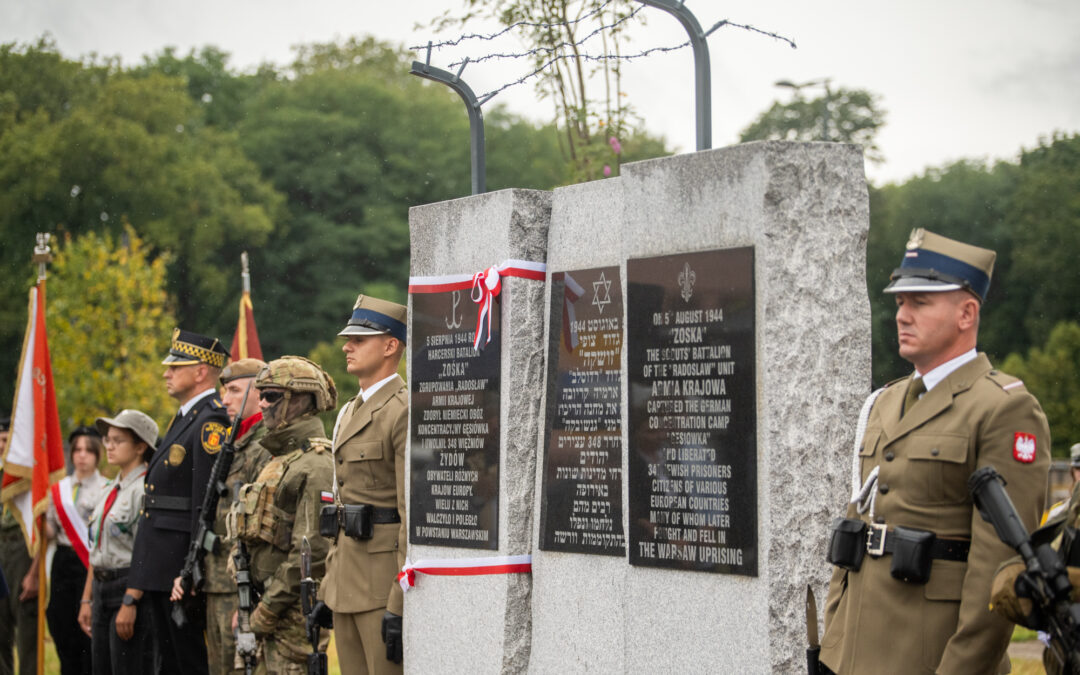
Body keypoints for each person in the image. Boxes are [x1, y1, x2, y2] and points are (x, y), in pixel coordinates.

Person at [819, 228, 1051, 674]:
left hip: (928, 660)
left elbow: (999, 574)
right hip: (853, 656)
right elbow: (857, 528)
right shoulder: (883, 402)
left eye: (919, 303)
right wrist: (833, 644)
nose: (902, 315)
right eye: (900, 303)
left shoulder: (1003, 409)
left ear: (967, 313)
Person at [314, 294, 409, 674]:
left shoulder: (402, 411)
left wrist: (399, 603)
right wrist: (327, 588)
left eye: (359, 340)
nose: (347, 346)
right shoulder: (350, 410)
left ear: (390, 346)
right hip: (344, 584)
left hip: (381, 587)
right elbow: (341, 507)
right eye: (348, 339)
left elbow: (410, 517)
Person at [126, 328, 230, 675]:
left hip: (178, 565)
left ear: (201, 371)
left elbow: (203, 502)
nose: (166, 373)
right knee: (166, 660)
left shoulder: (210, 421)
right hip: (161, 562)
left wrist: (190, 570)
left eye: (175, 366)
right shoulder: (187, 417)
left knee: (185, 661)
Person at [224, 356, 336, 673]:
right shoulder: (281, 459)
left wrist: (264, 612)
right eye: (261, 395)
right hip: (263, 607)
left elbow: (312, 552)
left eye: (271, 396)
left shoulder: (315, 464)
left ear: (300, 400)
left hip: (291, 622)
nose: (261, 404)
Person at [78, 410, 158, 675]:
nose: (109, 446)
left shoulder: (146, 489)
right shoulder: (110, 489)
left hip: (128, 587)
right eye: (107, 440)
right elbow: (97, 549)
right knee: (101, 668)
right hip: (102, 588)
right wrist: (87, 599)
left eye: (118, 440)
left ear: (140, 446)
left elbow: (146, 552)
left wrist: (130, 602)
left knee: (128, 667)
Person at [204, 358, 270, 675]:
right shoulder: (234, 443)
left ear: (259, 393)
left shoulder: (263, 446)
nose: (224, 400)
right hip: (217, 580)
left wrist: (252, 601)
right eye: (224, 391)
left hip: (242, 586)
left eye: (233, 391)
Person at [44, 426, 107, 675]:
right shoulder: (59, 489)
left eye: (88, 450)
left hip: (87, 563)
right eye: (77, 450)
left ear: (97, 454)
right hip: (63, 561)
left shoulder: (106, 487)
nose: (82, 455)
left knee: (87, 636)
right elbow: (50, 531)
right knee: (62, 627)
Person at [0, 415, 38, 675]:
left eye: (5, 440)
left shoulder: (28, 475)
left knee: (27, 635)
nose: (1, 446)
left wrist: (34, 572)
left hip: (22, 552)